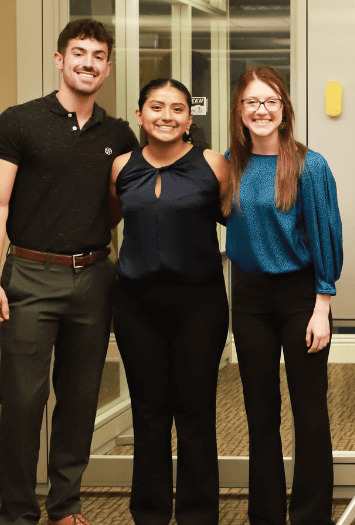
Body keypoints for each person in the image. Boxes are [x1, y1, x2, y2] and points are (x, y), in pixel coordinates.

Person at [0, 18, 139, 525]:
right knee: (23, 402)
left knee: (80, 400)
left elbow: (118, 203)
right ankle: (18, 512)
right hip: (29, 275)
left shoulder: (118, 134)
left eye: (97, 56)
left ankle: (64, 507)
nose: (88, 63)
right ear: (60, 60)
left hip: (93, 278)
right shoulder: (18, 122)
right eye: (79, 53)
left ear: (107, 69)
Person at [223, 66, 343, 525]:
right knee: (260, 414)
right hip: (250, 299)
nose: (261, 111)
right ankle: (266, 515)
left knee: (309, 411)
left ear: (284, 109)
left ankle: (311, 515)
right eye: (252, 102)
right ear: (239, 110)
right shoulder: (230, 165)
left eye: (270, 101)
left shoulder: (310, 165)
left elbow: (325, 235)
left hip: (302, 297)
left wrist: (322, 306)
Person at [109, 78, 230, 525]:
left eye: (177, 109)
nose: (166, 116)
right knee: (149, 413)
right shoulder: (122, 165)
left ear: (189, 119)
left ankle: (199, 516)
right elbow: (108, 219)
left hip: (200, 306)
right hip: (136, 307)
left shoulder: (214, 164)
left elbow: (239, 218)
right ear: (139, 115)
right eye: (156, 107)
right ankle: (150, 514)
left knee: (195, 413)